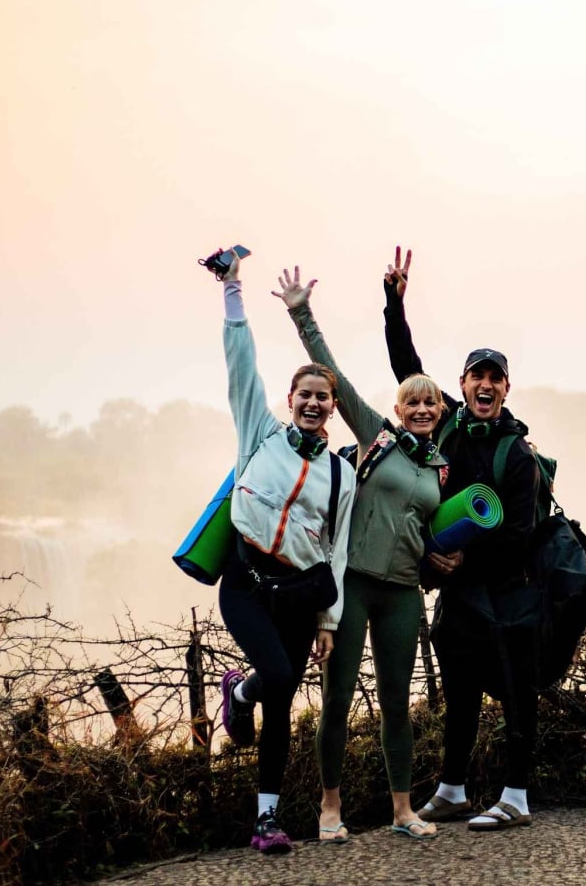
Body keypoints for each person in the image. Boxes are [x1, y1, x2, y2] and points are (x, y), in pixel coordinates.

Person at [272, 265, 450, 842]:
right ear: (398, 410)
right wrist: (301, 311)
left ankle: (403, 810)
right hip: (352, 585)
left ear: (440, 413)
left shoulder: (440, 467)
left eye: (430, 404)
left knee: (398, 702)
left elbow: (438, 531)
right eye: (412, 403)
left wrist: (448, 559)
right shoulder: (377, 435)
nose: (421, 410)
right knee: (337, 701)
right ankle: (330, 808)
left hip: (401, 591)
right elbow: (334, 374)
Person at [381, 247, 544, 832]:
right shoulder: (445, 421)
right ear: (463, 384)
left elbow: (521, 533)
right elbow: (407, 370)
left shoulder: (517, 454)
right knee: (461, 690)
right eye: (477, 375)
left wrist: (460, 556)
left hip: (509, 589)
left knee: (517, 693)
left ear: (505, 389)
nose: (485, 384)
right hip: (459, 592)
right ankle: (452, 791)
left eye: (494, 377)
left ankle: (516, 797)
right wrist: (394, 305)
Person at [210, 253, 356, 854]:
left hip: (299, 594)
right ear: (291, 399)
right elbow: (241, 364)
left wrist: (329, 621)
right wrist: (232, 291)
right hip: (246, 582)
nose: (315, 403)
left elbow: (336, 551)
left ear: (331, 406)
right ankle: (240, 693)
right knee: (272, 677)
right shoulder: (260, 435)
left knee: (285, 697)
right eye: (306, 394)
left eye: (324, 396)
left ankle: (266, 821)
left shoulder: (340, 475)